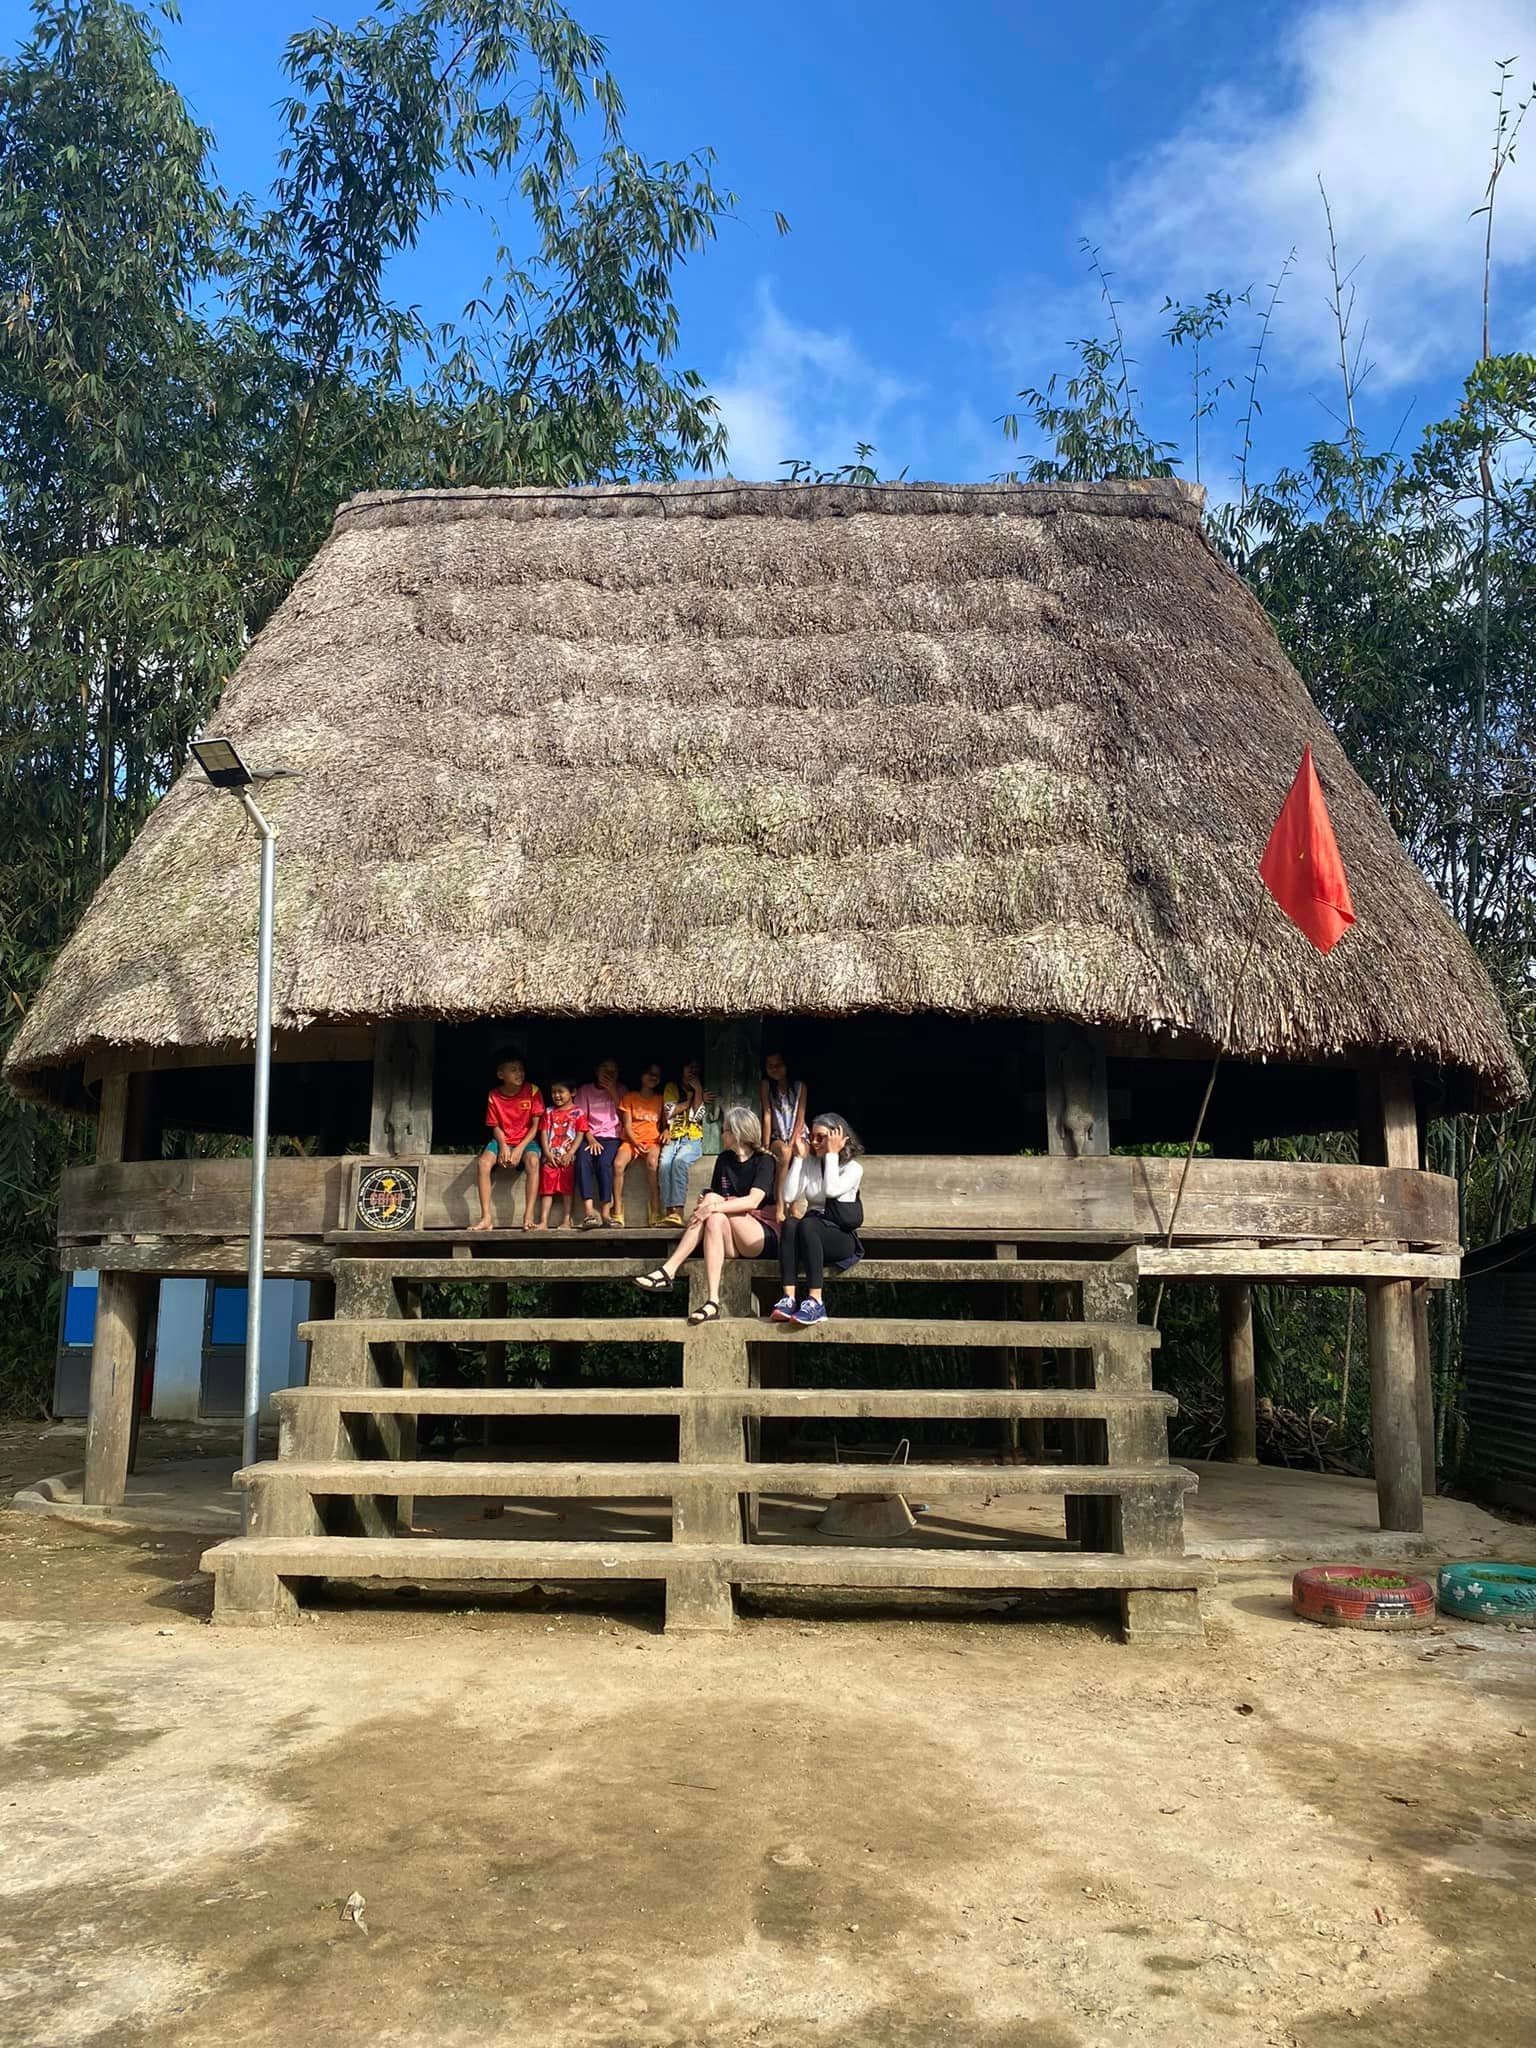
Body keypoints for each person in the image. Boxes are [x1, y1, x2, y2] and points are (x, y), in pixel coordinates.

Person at [631, 1105, 777, 1323]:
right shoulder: (724, 1160)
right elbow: (715, 1197)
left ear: (737, 1132)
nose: (721, 1134)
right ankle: (712, 1301)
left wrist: (712, 1204)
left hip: (758, 1235)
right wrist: (709, 1203)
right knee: (713, 1211)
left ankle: (668, 1270)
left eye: (725, 1129)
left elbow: (753, 1201)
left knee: (713, 1204)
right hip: (730, 1239)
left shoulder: (764, 1160)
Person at [769, 1112, 866, 1325]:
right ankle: (789, 1298)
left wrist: (832, 1154)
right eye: (811, 1136)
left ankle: (816, 1302)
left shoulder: (853, 1168)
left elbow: (831, 1190)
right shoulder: (811, 1163)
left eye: (821, 1137)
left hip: (840, 1239)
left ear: (838, 1137)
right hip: (810, 1234)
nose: (814, 1142)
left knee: (808, 1224)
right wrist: (799, 1159)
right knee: (791, 1223)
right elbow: (788, 1196)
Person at [473, 1051, 542, 1232]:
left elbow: (535, 1126)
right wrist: (503, 1145)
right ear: (501, 1074)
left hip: (527, 1141)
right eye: (513, 1070)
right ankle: (486, 1217)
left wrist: (519, 1149)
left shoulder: (533, 1090)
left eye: (521, 1070)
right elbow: (494, 1125)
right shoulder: (494, 1095)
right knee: (483, 1163)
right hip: (502, 1139)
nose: (519, 1073)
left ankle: (528, 1216)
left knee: (534, 1162)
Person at [658, 1059, 710, 1225]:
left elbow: (696, 1117)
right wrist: (694, 1097)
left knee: (679, 1163)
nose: (692, 1071)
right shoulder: (672, 1088)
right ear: (682, 1069)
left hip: (692, 1138)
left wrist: (699, 1090)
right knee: (665, 1163)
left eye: (696, 1068)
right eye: (689, 1067)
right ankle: (668, 1212)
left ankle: (678, 1212)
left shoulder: (702, 1089)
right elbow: (670, 1113)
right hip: (673, 1137)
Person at [573, 1058, 624, 1228]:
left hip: (612, 1137)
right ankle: (589, 1213)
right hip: (590, 1135)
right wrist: (591, 1138)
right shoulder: (584, 1091)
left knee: (604, 1163)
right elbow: (580, 1119)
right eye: (605, 1070)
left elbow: (626, 1116)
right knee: (582, 1159)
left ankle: (605, 1213)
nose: (609, 1075)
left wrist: (612, 1092)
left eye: (613, 1071)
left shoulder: (622, 1090)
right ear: (596, 1071)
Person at [616, 1062, 669, 1226]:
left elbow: (667, 1124)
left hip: (653, 1141)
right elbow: (627, 1125)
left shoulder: (661, 1099)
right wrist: (635, 1142)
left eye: (657, 1075)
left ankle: (655, 1207)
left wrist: (667, 1131)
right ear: (641, 1076)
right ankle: (617, 1209)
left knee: (653, 1163)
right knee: (618, 1164)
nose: (653, 1077)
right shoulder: (629, 1097)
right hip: (632, 1141)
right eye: (649, 1073)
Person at [760, 1050, 808, 1224]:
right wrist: (765, 1145)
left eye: (778, 1065)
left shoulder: (800, 1086)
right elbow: (766, 1114)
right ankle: (780, 1206)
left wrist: (795, 1139)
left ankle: (794, 1204)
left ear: (787, 1065)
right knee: (785, 1152)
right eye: (769, 1066)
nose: (774, 1069)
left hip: (797, 1132)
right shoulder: (766, 1085)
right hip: (776, 1136)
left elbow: (800, 1117)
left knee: (799, 1153)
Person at [533, 1079, 586, 1231]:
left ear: (573, 1093)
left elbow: (580, 1134)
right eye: (553, 1092)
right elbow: (543, 1133)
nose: (556, 1095)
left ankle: (566, 1220)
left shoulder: (578, 1112)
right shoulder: (548, 1112)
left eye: (560, 1092)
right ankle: (543, 1221)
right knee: (546, 1191)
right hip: (550, 1158)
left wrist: (570, 1153)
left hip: (567, 1158)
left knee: (567, 1190)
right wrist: (547, 1153)